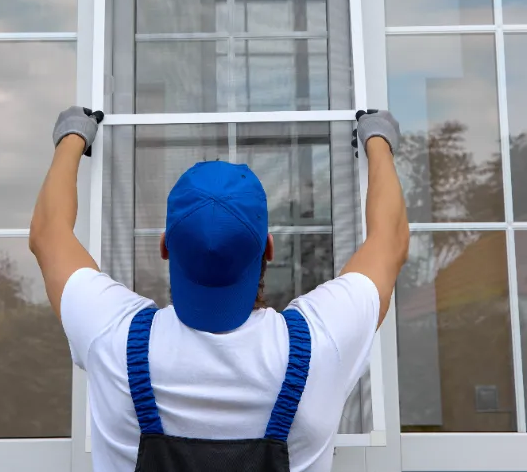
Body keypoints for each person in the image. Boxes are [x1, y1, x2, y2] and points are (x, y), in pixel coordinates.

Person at [30, 107, 409, 472]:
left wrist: (73, 135)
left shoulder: (112, 335)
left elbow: (49, 234)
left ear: (165, 245)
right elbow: (388, 242)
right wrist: (377, 138)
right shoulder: (321, 342)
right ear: (269, 248)